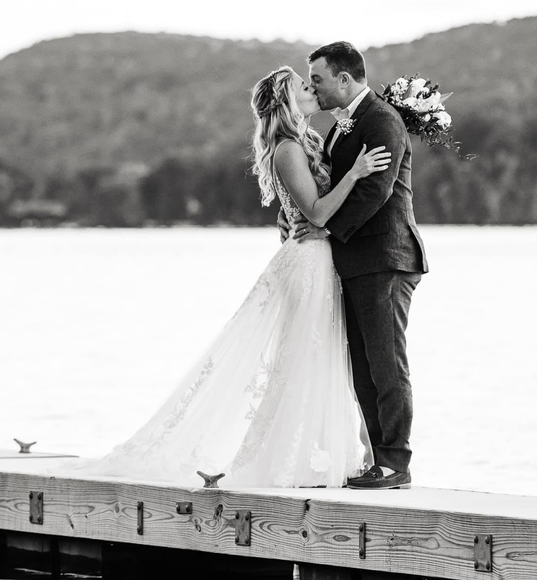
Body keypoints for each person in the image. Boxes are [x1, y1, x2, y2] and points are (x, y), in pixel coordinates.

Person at [69, 66, 391, 488]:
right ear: (287, 102)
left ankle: (318, 456)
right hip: (307, 264)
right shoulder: (287, 149)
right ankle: (290, 460)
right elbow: (315, 213)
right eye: (303, 86)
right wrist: (355, 173)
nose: (311, 88)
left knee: (319, 359)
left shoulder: (307, 142)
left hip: (319, 258)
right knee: (303, 360)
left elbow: (303, 207)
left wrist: (296, 213)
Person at [283, 42, 428, 490]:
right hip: (354, 261)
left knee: (386, 363)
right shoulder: (340, 127)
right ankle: (378, 461)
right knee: (363, 367)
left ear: (345, 79)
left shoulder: (381, 120)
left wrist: (326, 229)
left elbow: (376, 191)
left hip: (386, 257)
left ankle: (396, 463)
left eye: (319, 80)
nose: (315, 89)